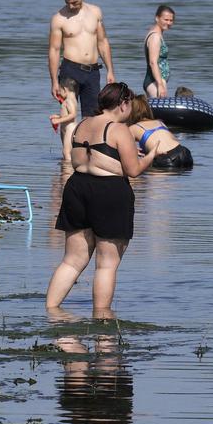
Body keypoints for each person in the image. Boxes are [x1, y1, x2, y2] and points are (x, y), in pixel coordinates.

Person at [46, 83, 155, 312]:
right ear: (123, 103)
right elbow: (133, 170)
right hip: (109, 192)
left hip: (77, 187)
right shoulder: (118, 129)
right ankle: (102, 321)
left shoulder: (82, 125)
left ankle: (52, 310)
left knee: (72, 261)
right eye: (130, 104)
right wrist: (152, 155)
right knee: (106, 265)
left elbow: (88, 156)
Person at [49, 0, 116, 121]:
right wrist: (54, 81)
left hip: (92, 72)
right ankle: (67, 144)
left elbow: (102, 42)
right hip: (70, 71)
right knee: (68, 116)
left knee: (91, 119)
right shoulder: (58, 19)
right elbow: (54, 50)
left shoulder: (95, 12)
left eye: (74, 2)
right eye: (67, 3)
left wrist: (110, 70)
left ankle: (85, 143)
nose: (71, 6)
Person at [128, 95, 194, 169]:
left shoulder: (133, 128)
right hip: (184, 152)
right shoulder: (160, 122)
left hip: (166, 158)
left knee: (139, 174)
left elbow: (124, 151)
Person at [143, 5, 175, 97]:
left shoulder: (157, 34)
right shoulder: (155, 37)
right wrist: (160, 85)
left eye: (171, 20)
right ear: (157, 18)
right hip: (154, 82)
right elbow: (153, 62)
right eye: (166, 19)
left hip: (158, 81)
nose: (168, 23)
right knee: (160, 110)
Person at [50, 76, 79, 160]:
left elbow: (73, 114)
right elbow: (68, 114)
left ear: (65, 89)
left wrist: (58, 120)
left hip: (70, 128)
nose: (59, 93)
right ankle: (67, 167)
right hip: (68, 128)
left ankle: (68, 170)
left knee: (66, 152)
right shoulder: (71, 99)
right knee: (67, 151)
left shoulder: (69, 100)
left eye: (60, 90)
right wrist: (57, 117)